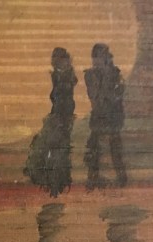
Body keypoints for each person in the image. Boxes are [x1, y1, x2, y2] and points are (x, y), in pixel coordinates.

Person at [24, 47, 77, 197]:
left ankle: (54, 185)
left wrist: (61, 120)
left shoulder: (65, 77)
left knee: (53, 151)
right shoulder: (60, 75)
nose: (54, 62)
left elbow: (65, 100)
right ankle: (53, 184)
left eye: (57, 59)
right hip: (58, 118)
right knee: (51, 150)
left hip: (61, 119)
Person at [84, 43, 127, 189]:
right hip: (99, 116)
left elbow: (118, 94)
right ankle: (92, 180)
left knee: (115, 149)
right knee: (94, 148)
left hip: (113, 116)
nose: (96, 60)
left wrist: (108, 76)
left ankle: (121, 179)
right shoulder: (90, 75)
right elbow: (94, 97)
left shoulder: (115, 73)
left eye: (100, 57)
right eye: (95, 57)